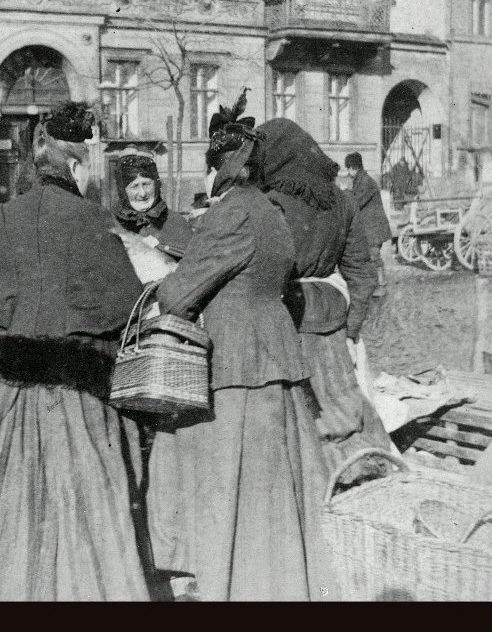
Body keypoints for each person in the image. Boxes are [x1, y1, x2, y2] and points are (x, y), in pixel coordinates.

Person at [0, 102, 150, 601]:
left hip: (2, 397)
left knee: (5, 511)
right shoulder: (91, 218)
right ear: (78, 165)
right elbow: (124, 306)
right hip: (73, 396)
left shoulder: (5, 217)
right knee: (83, 507)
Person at [144, 90, 339, 602]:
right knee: (273, 491)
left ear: (218, 170)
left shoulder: (233, 211)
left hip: (236, 367)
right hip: (272, 359)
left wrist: (161, 285)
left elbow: (180, 293)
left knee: (231, 488)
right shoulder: (269, 209)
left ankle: (234, 586)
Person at [255, 120, 395, 487]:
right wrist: (352, 329)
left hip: (288, 316)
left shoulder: (270, 204)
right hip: (332, 317)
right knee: (342, 402)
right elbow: (361, 274)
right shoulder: (342, 202)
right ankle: (361, 472)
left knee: (302, 413)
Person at [344, 153, 394, 303]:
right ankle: (373, 285)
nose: (348, 173)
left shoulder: (367, 182)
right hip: (369, 228)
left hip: (374, 228)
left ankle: (381, 285)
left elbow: (356, 201)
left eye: (349, 169)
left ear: (354, 168)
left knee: (373, 255)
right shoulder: (360, 180)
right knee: (367, 256)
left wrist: (345, 192)